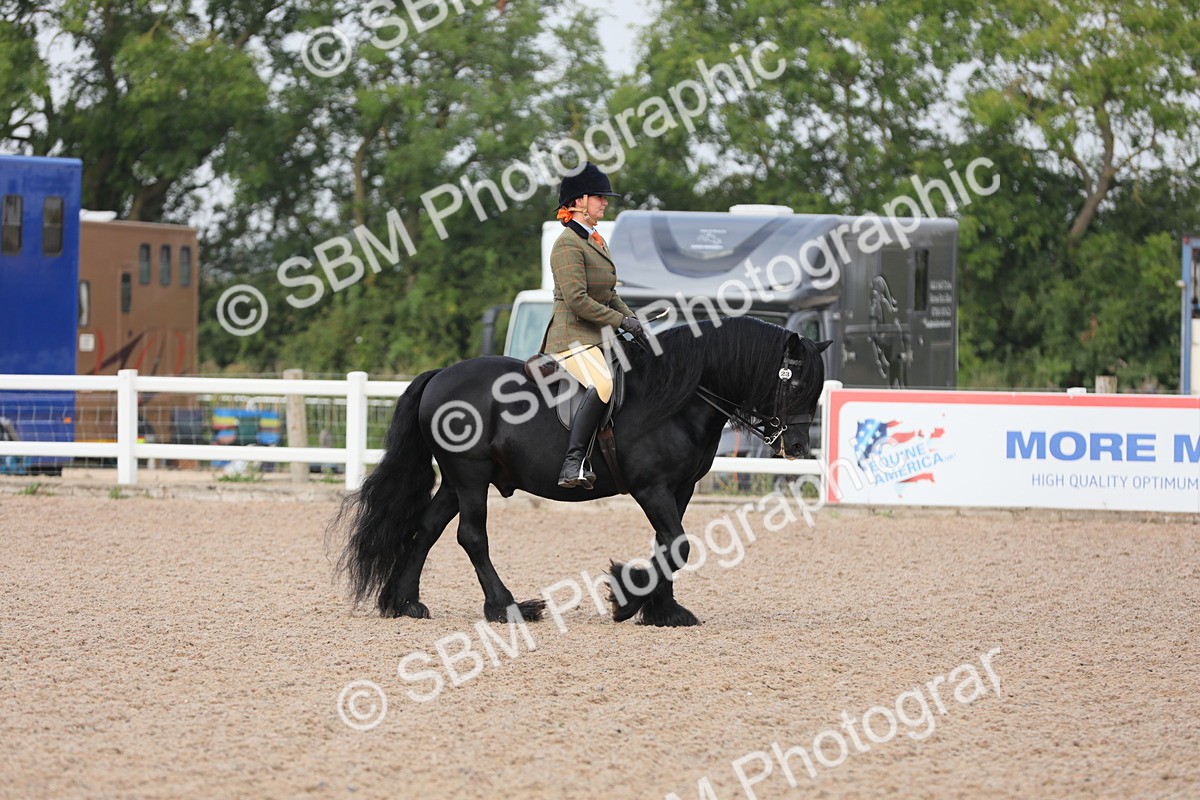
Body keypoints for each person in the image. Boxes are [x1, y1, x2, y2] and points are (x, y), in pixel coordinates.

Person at [544, 163, 645, 490]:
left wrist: (634, 322)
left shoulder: (596, 240)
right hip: (571, 337)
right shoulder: (566, 245)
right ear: (578, 202)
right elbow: (577, 300)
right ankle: (572, 463)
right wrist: (620, 321)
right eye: (599, 197)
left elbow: (610, 294)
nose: (604, 203)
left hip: (599, 335)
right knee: (603, 384)